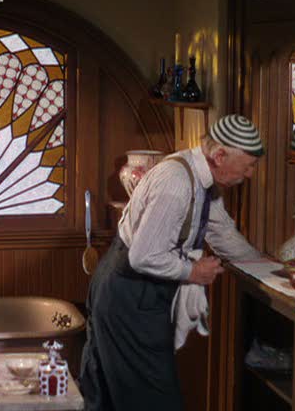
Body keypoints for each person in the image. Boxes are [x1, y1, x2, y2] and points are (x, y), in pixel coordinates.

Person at [79, 114, 265, 411]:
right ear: (219, 156)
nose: (252, 173)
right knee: (152, 401)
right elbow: (143, 256)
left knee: (116, 400)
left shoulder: (202, 179)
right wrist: (192, 271)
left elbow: (222, 233)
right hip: (127, 295)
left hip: (137, 295)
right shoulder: (176, 183)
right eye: (249, 165)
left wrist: (265, 267)